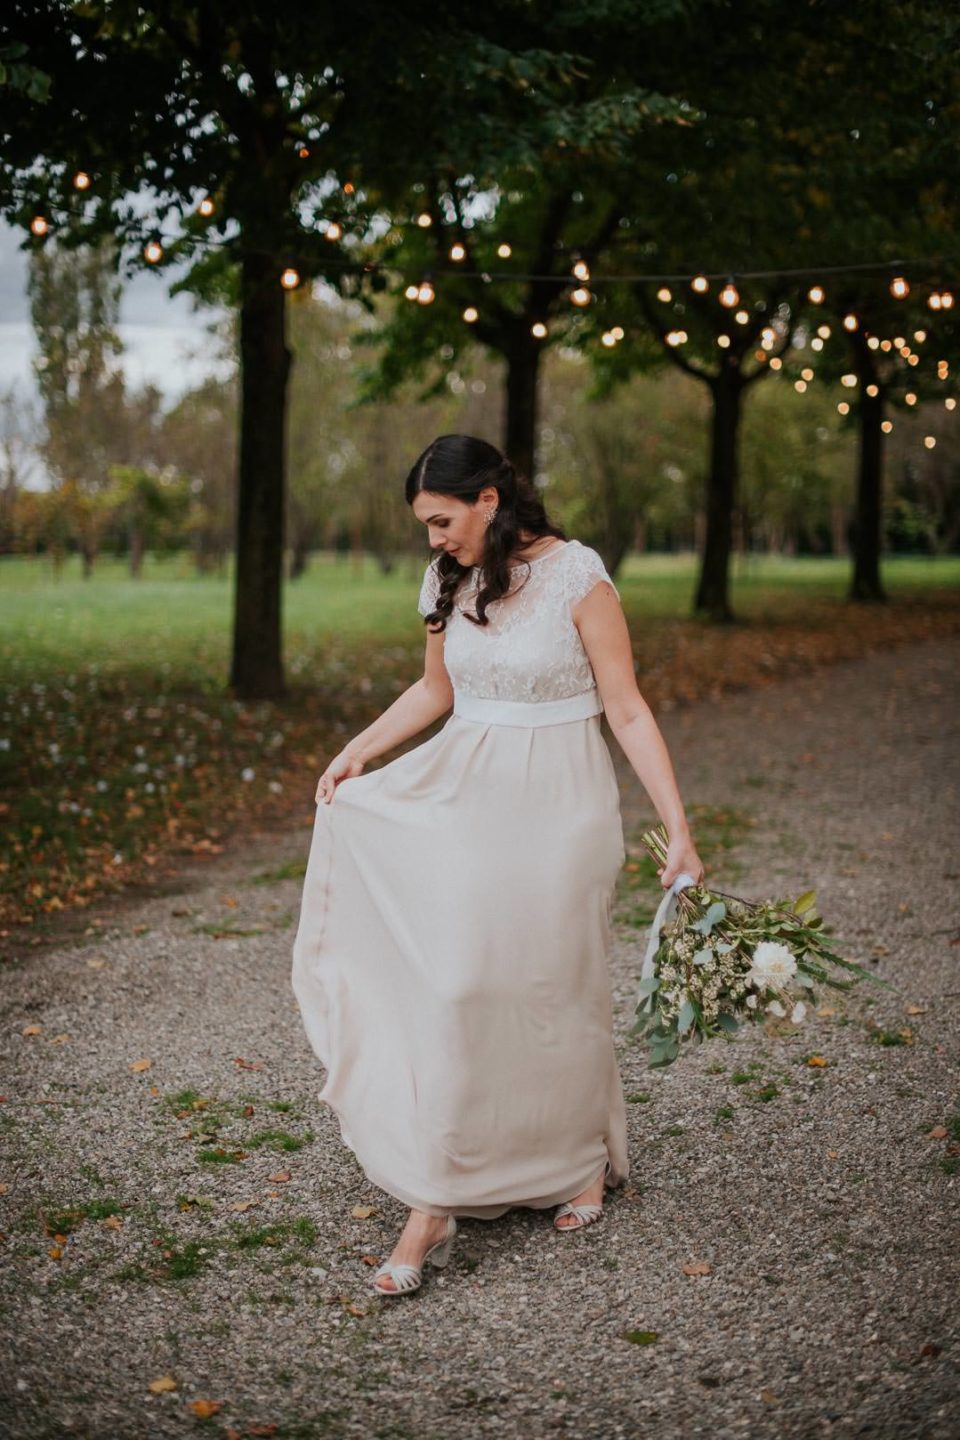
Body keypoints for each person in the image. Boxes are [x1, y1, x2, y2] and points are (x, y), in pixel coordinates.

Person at [291, 434, 704, 1298]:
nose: (434, 538)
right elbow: (436, 691)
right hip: (468, 792)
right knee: (463, 984)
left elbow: (626, 709)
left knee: (554, 983)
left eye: (443, 519)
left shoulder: (578, 577)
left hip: (562, 805)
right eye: (425, 526)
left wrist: (679, 828)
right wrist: (355, 752)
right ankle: (434, 1201)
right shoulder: (448, 579)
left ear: (488, 498)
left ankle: (578, 1163)